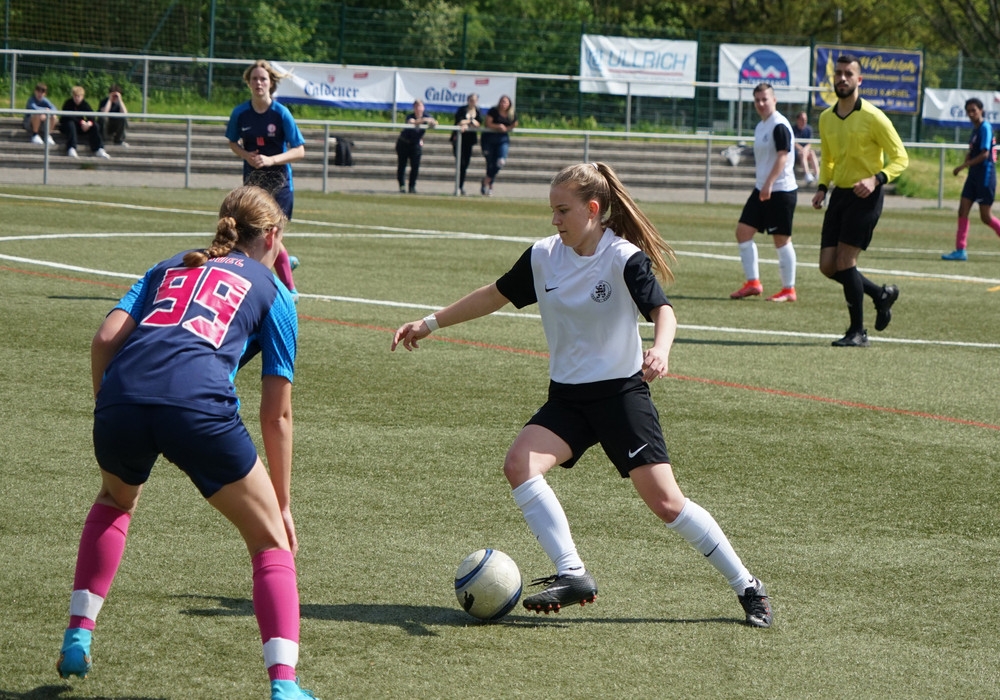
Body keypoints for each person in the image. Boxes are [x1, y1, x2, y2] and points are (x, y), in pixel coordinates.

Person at [391, 162, 773, 628]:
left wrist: (661, 350)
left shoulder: (622, 257)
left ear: (592, 210)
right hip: (568, 400)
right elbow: (494, 294)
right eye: (552, 210)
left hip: (620, 397)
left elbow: (663, 311)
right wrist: (430, 323)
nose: (554, 220)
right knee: (519, 465)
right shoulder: (543, 256)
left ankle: (748, 586)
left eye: (562, 210)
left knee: (668, 504)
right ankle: (573, 572)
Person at [56, 185, 317, 700]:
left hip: (122, 400)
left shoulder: (169, 265)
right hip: (198, 409)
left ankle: (77, 636)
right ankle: (284, 686)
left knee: (114, 500)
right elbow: (276, 415)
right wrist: (283, 504)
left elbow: (105, 339)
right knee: (270, 542)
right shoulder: (275, 292)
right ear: (272, 236)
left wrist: (110, 406)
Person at [811, 54, 908, 348]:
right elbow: (828, 158)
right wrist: (822, 186)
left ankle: (857, 332)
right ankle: (881, 294)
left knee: (845, 261)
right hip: (839, 195)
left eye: (848, 74)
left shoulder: (874, 117)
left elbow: (901, 158)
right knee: (828, 266)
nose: (842, 78)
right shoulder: (826, 118)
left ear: (859, 80)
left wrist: (876, 179)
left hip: (866, 196)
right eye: (838, 73)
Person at [227, 59, 306, 301]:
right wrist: (246, 155)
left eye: (263, 79)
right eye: (254, 79)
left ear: (271, 83)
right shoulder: (240, 113)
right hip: (253, 183)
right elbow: (232, 142)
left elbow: (299, 150)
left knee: (272, 234)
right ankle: (284, 260)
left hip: (280, 182)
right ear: (248, 83)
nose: (258, 83)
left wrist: (272, 160)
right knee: (258, 234)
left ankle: (290, 290)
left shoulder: (281, 113)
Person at [729, 84, 799, 303]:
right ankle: (753, 283)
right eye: (757, 100)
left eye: (764, 99)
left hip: (780, 190)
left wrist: (769, 183)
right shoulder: (761, 126)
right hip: (762, 189)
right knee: (743, 232)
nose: (760, 103)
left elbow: (783, 156)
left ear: (774, 100)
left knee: (781, 240)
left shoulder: (779, 125)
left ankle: (789, 290)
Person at [941, 98, 1000, 261]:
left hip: (985, 176)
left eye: (974, 110)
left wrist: (963, 166)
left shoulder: (985, 127)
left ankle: (961, 250)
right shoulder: (975, 130)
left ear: (981, 110)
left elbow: (985, 154)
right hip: (974, 176)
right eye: (968, 111)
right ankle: (960, 250)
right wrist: (968, 158)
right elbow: (974, 151)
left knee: (985, 217)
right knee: (962, 210)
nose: (971, 113)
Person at [395, 99, 437, 194]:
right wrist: (424, 120)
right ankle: (402, 186)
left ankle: (412, 186)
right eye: (417, 106)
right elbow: (412, 122)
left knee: (415, 166)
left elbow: (434, 122)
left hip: (415, 144)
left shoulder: (427, 115)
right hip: (404, 143)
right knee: (402, 165)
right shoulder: (410, 116)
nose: (419, 108)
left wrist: (432, 122)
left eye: (420, 106)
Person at [480, 95, 518, 196]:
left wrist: (507, 128)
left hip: (502, 139)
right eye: (502, 101)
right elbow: (487, 123)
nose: (503, 104)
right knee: (490, 162)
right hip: (489, 139)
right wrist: (498, 126)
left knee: (501, 161)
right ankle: (490, 186)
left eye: (505, 102)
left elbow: (514, 123)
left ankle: (486, 180)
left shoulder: (511, 113)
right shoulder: (493, 111)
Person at [59, 86, 110, 159]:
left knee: (95, 126)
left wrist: (89, 123)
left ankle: (99, 148)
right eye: (75, 96)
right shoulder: (68, 103)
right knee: (70, 124)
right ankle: (71, 148)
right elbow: (67, 117)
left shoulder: (85, 104)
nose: (77, 98)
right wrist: (80, 122)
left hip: (81, 127)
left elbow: (91, 115)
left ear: (82, 96)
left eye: (78, 96)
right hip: (68, 127)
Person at [450, 93, 482, 196]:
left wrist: (468, 123)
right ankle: (457, 186)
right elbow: (459, 122)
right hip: (459, 139)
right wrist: (470, 121)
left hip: (469, 140)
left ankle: (460, 186)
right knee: (460, 163)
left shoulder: (478, 111)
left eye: (474, 100)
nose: (473, 102)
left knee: (465, 164)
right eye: (471, 100)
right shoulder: (462, 110)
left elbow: (479, 123)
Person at [791, 111, 820, 185]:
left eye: (805, 119)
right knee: (803, 153)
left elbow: (809, 143)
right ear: (798, 120)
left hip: (805, 152)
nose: (804, 121)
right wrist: (802, 149)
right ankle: (807, 174)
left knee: (812, 153)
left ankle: (817, 174)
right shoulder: (793, 129)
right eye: (802, 119)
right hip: (795, 153)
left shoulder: (809, 129)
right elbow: (793, 143)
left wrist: (805, 150)